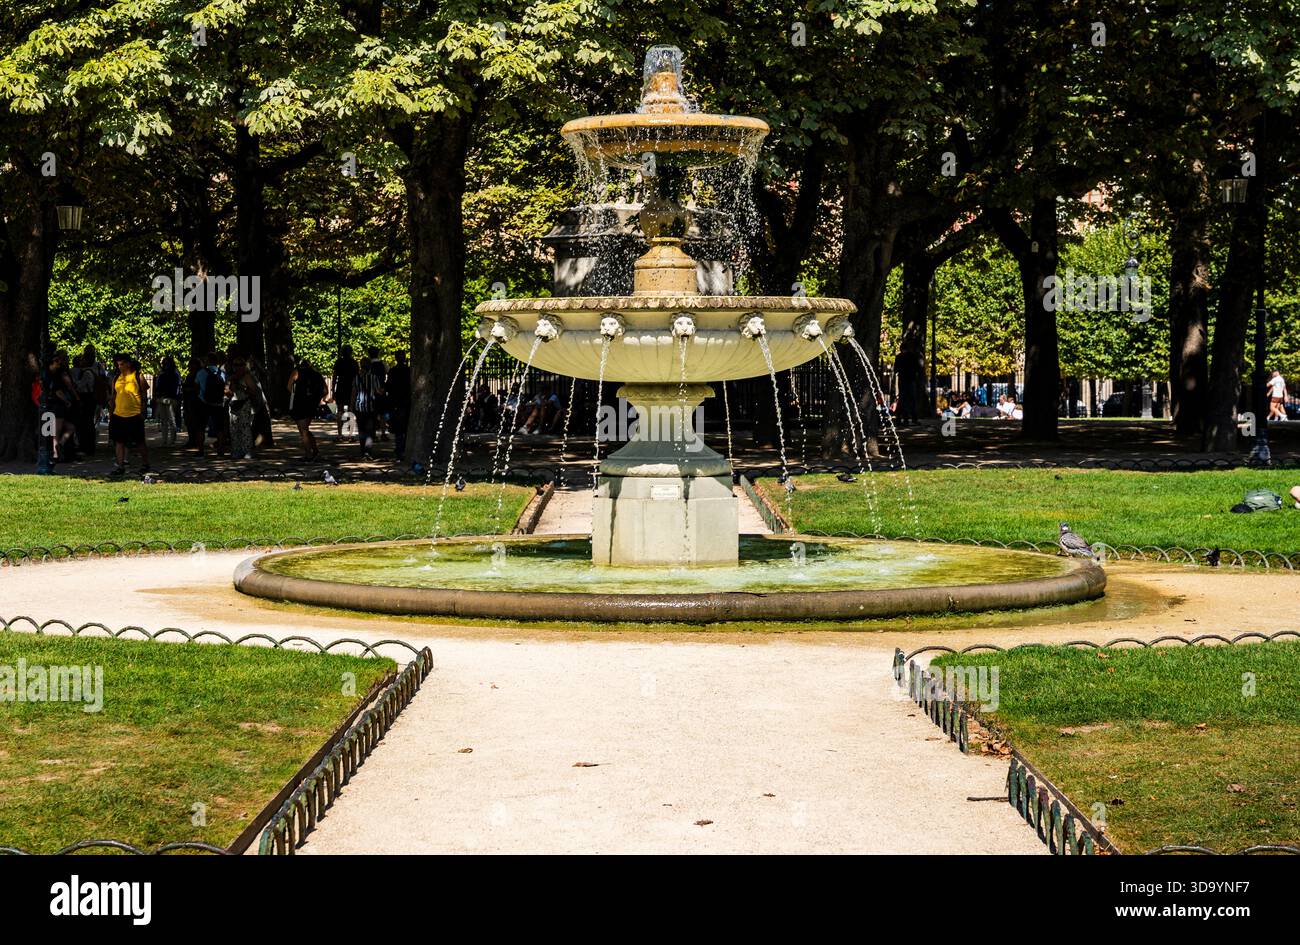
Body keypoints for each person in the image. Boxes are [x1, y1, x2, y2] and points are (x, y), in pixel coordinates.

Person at [108, 353, 150, 475]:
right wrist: (111, 413)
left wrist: (143, 410)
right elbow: (113, 396)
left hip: (134, 414)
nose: (120, 367)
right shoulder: (116, 378)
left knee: (139, 442)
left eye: (122, 364)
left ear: (128, 363)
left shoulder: (138, 376)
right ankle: (120, 466)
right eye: (118, 364)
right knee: (119, 442)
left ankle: (145, 463)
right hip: (119, 414)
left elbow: (144, 394)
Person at [225, 354, 262, 460]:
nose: (238, 367)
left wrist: (241, 387)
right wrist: (230, 389)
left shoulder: (247, 376)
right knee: (234, 429)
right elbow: (226, 391)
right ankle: (237, 451)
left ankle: (248, 451)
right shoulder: (231, 377)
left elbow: (254, 391)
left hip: (244, 404)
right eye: (235, 365)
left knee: (245, 428)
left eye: (240, 364)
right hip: (233, 404)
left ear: (244, 366)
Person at [287, 356, 325, 461]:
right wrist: (316, 399)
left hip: (299, 404)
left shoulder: (296, 372)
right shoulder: (317, 375)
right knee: (305, 430)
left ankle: (309, 455)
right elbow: (325, 391)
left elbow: (289, 387)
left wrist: (296, 394)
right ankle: (315, 451)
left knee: (303, 430)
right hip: (312, 405)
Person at [195, 351, 227, 455]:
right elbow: (226, 388)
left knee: (201, 427)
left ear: (207, 361)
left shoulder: (201, 372)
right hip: (218, 403)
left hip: (203, 403)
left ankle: (200, 451)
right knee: (220, 428)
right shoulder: (222, 373)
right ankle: (220, 450)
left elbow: (196, 386)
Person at [352, 357, 384, 460]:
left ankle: (363, 451)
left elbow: (353, 393)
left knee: (361, 430)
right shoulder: (374, 377)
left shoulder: (356, 377)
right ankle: (368, 452)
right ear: (370, 366)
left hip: (359, 407)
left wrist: (351, 406)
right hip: (371, 408)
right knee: (370, 431)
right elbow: (379, 391)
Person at [386, 351, 411, 460]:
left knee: (398, 429)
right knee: (404, 428)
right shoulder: (408, 370)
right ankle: (402, 449)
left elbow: (388, 385)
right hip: (406, 401)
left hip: (396, 402)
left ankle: (399, 450)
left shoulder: (393, 371)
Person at [153, 355, 181, 446]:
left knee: (170, 420)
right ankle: (165, 440)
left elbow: (174, 388)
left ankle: (171, 440)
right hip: (164, 398)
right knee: (165, 420)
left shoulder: (173, 375)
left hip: (170, 398)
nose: (164, 365)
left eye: (166, 363)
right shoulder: (164, 375)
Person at [331, 345, 358, 440]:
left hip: (341, 387)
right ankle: (350, 435)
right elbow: (356, 377)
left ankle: (339, 434)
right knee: (351, 410)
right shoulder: (354, 363)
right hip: (351, 388)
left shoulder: (339, 362)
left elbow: (334, 376)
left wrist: (333, 389)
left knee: (340, 410)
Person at [182, 356, 205, 449]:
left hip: (194, 400)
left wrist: (188, 389)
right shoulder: (190, 374)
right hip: (189, 400)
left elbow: (197, 388)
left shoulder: (197, 374)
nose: (190, 366)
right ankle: (192, 440)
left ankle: (194, 441)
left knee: (194, 422)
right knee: (189, 421)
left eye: (192, 365)